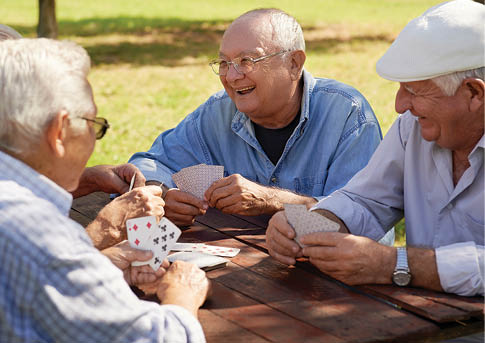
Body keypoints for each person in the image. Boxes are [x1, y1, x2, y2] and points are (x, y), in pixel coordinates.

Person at [266, 0, 484, 297]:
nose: (399, 105)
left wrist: (395, 264)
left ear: (474, 93)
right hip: (422, 318)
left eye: (414, 91)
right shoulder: (414, 126)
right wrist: (311, 224)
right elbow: (367, 199)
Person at [0, 38, 209, 342]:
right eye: (92, 124)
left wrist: (101, 267)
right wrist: (183, 294)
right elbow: (160, 338)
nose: (95, 138)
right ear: (59, 132)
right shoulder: (39, 234)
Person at [128, 8, 385, 231]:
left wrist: (271, 201)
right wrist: (160, 193)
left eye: (247, 61)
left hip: (327, 278)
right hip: (243, 275)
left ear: (294, 63)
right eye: (224, 62)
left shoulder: (347, 115)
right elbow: (148, 163)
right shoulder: (218, 113)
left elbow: (360, 223)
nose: (231, 76)